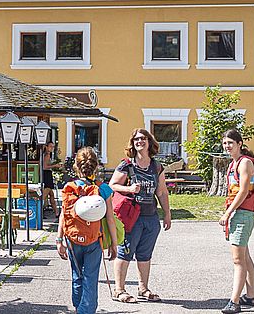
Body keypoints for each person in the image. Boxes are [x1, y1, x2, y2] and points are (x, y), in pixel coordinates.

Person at [109, 128, 172, 303]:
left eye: (143, 139)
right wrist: (128, 188)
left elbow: (161, 192)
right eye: (136, 139)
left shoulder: (156, 166)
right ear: (132, 143)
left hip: (150, 216)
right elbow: (112, 185)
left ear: (149, 142)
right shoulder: (127, 165)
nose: (140, 142)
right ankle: (119, 290)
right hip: (131, 216)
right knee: (125, 252)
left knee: (145, 254)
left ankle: (143, 289)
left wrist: (167, 214)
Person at [57, 147, 118, 314]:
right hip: (93, 240)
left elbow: (63, 215)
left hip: (72, 238)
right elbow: (110, 219)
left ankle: (79, 308)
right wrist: (114, 244)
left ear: (76, 166)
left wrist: (59, 240)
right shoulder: (103, 189)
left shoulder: (69, 187)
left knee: (77, 275)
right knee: (90, 278)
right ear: (96, 166)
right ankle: (85, 311)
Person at [219, 129, 254, 313]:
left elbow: (243, 191)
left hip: (242, 214)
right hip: (240, 213)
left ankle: (234, 302)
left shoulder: (244, 163)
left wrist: (227, 213)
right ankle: (251, 296)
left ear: (239, 144)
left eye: (230, 143)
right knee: (245, 257)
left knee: (238, 261)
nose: (227, 146)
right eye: (225, 143)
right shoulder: (234, 163)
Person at [41, 141, 61, 216]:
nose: (52, 148)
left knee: (51, 195)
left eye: (53, 147)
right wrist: (55, 166)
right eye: (50, 146)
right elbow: (45, 167)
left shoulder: (47, 154)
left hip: (47, 174)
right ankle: (38, 211)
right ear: (46, 147)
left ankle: (56, 212)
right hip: (46, 174)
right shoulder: (47, 155)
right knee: (44, 195)